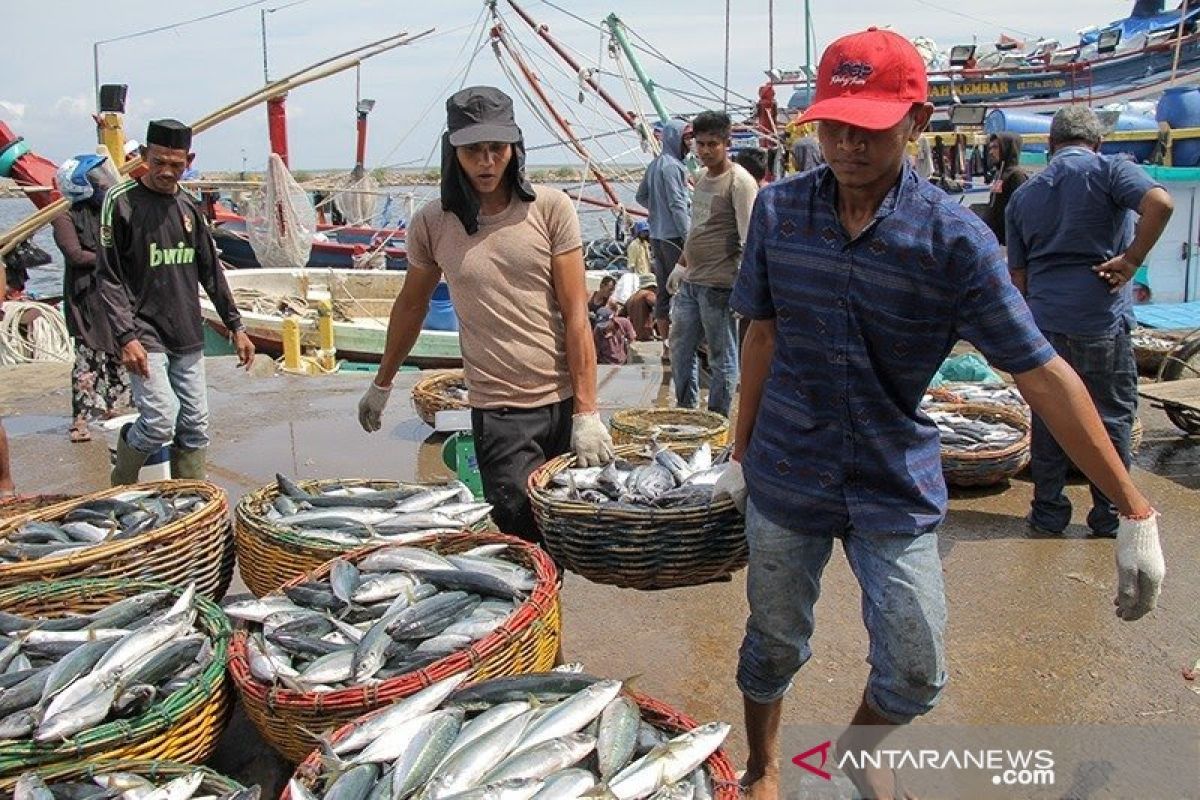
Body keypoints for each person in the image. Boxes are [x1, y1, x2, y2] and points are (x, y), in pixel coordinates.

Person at [718, 29, 1165, 800]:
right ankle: (765, 765)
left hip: (892, 475)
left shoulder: (956, 239)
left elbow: (1043, 373)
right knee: (774, 641)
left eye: (873, 125)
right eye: (834, 125)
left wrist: (1134, 509)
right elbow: (760, 332)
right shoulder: (781, 213)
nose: (850, 143)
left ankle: (859, 746)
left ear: (916, 122)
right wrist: (737, 450)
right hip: (788, 469)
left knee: (917, 665)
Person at [357, 86, 613, 544]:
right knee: (517, 524)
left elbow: (576, 312)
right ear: (453, 152)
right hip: (499, 409)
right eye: (473, 150)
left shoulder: (551, 209)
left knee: (569, 526)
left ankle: (546, 606)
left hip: (563, 400)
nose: (487, 161)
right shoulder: (433, 223)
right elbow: (411, 306)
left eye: (497, 148)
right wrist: (381, 383)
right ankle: (539, 606)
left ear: (515, 148)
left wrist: (588, 411)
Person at [1006, 105, 1173, 539]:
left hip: (1045, 324)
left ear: (1049, 146)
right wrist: (1132, 259)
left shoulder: (1024, 194)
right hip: (1100, 320)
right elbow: (1160, 203)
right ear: (1097, 144)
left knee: (1048, 415)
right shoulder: (1112, 170)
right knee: (1112, 416)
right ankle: (1107, 516)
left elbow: (1017, 278)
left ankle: (1047, 513)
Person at [98, 119, 254, 485]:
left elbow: (211, 271)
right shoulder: (120, 203)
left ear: (189, 160)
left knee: (196, 424)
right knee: (159, 420)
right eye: (159, 162)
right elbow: (108, 276)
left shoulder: (189, 207)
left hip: (186, 329)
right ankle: (120, 481)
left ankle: (189, 499)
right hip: (143, 331)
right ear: (143, 158)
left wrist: (236, 326)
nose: (167, 172)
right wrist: (125, 336)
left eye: (176, 165)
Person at [669, 110, 758, 418]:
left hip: (719, 285)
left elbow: (749, 240)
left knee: (722, 356)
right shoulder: (703, 178)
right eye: (700, 144)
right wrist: (680, 266)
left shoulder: (740, 183)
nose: (704, 151)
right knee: (680, 348)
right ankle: (686, 412)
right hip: (692, 281)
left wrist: (745, 289)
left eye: (711, 144)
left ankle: (717, 418)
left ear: (726, 143)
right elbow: (697, 228)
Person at [51, 154, 131, 444]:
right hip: (87, 296)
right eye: (97, 179)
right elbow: (75, 255)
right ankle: (81, 419)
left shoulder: (110, 212)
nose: (103, 183)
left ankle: (118, 410)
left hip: (113, 292)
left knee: (120, 351)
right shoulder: (64, 216)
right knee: (88, 356)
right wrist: (110, 260)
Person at [636, 120, 692, 358]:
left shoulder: (655, 165)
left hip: (657, 235)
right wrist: (690, 239)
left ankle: (667, 346)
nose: (689, 144)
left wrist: (656, 211)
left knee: (663, 290)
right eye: (686, 138)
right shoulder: (673, 167)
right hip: (674, 238)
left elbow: (641, 197)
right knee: (682, 289)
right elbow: (678, 204)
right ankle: (680, 343)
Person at [981, 131, 1027, 246]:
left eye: (995, 147)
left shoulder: (1016, 176)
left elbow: (1019, 212)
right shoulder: (999, 173)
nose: (991, 152)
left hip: (1008, 243)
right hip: (995, 240)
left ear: (1007, 148)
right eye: (990, 148)